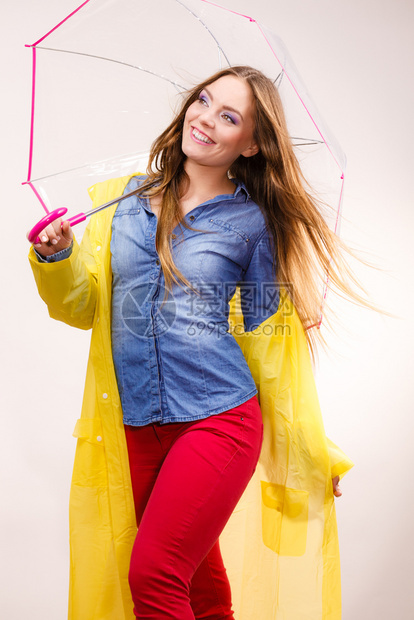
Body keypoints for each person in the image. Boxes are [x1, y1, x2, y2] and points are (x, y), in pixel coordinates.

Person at [28, 66, 352, 620]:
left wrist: (313, 449)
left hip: (219, 420)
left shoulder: (253, 224)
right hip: (136, 425)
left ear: (250, 144)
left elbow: (271, 346)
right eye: (203, 100)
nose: (204, 118)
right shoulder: (117, 204)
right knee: (198, 582)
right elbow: (82, 307)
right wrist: (56, 256)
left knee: (153, 574)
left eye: (228, 116)